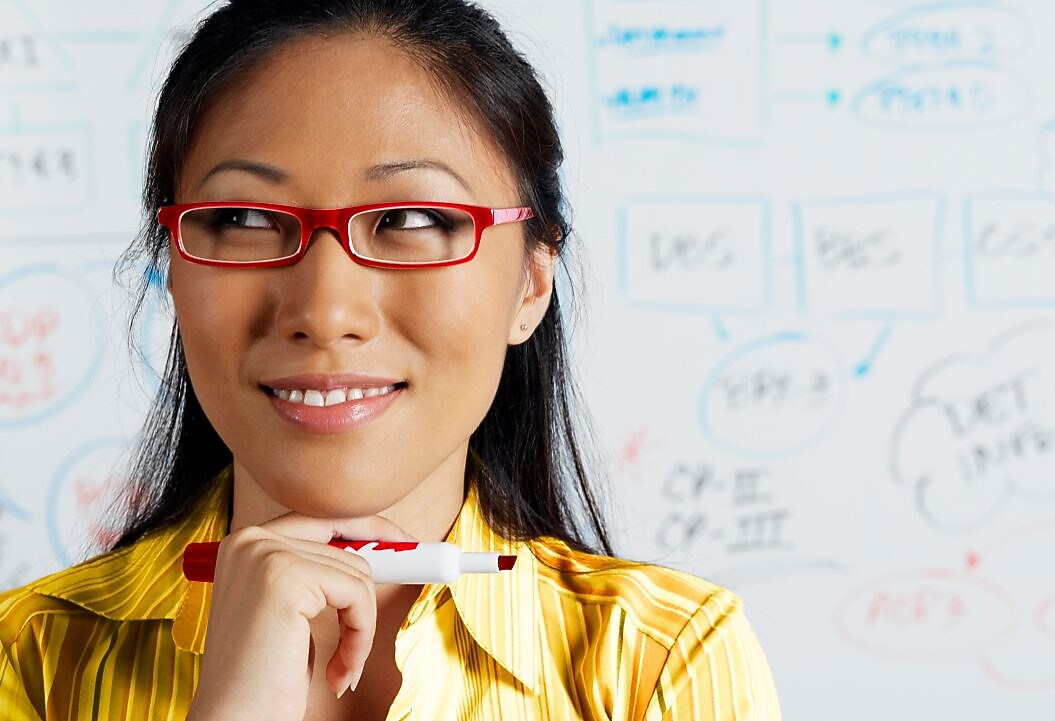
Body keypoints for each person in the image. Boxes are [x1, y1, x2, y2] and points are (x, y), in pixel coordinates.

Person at [0, 1, 782, 719]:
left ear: (532, 281)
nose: (324, 312)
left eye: (411, 218)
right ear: (174, 263)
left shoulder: (662, 661)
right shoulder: (30, 657)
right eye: (243, 218)